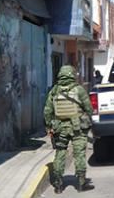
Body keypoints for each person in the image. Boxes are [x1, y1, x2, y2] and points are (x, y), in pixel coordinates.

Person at [44, 65, 95, 193]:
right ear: (72, 75)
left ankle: (58, 185)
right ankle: (81, 184)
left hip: (60, 128)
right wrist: (87, 116)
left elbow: (47, 111)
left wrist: (49, 126)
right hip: (77, 127)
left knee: (60, 153)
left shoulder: (54, 91)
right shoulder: (79, 89)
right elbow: (89, 107)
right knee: (79, 154)